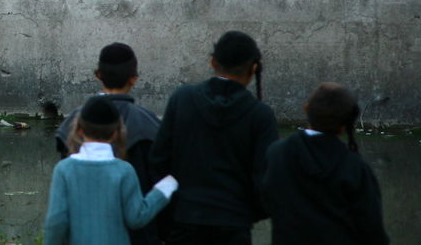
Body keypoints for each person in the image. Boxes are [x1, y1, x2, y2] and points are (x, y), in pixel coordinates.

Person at [150, 31, 278, 245]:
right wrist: (247, 214)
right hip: (234, 223)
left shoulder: (182, 99)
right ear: (253, 68)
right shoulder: (260, 114)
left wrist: (174, 209)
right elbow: (266, 178)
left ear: (212, 61)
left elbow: (158, 161)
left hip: (185, 218)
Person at [54, 43, 166, 245]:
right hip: (139, 235)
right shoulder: (150, 125)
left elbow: (58, 216)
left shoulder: (71, 124)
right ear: (134, 79)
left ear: (98, 74)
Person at [261, 83, 389, 244]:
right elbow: (372, 227)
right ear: (344, 126)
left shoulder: (277, 153)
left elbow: (266, 200)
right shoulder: (354, 166)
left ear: (306, 109)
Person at [45, 96, 177, 245]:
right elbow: (137, 217)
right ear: (116, 133)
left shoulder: (64, 169)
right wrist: (166, 187)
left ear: (80, 130)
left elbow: (56, 222)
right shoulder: (124, 170)